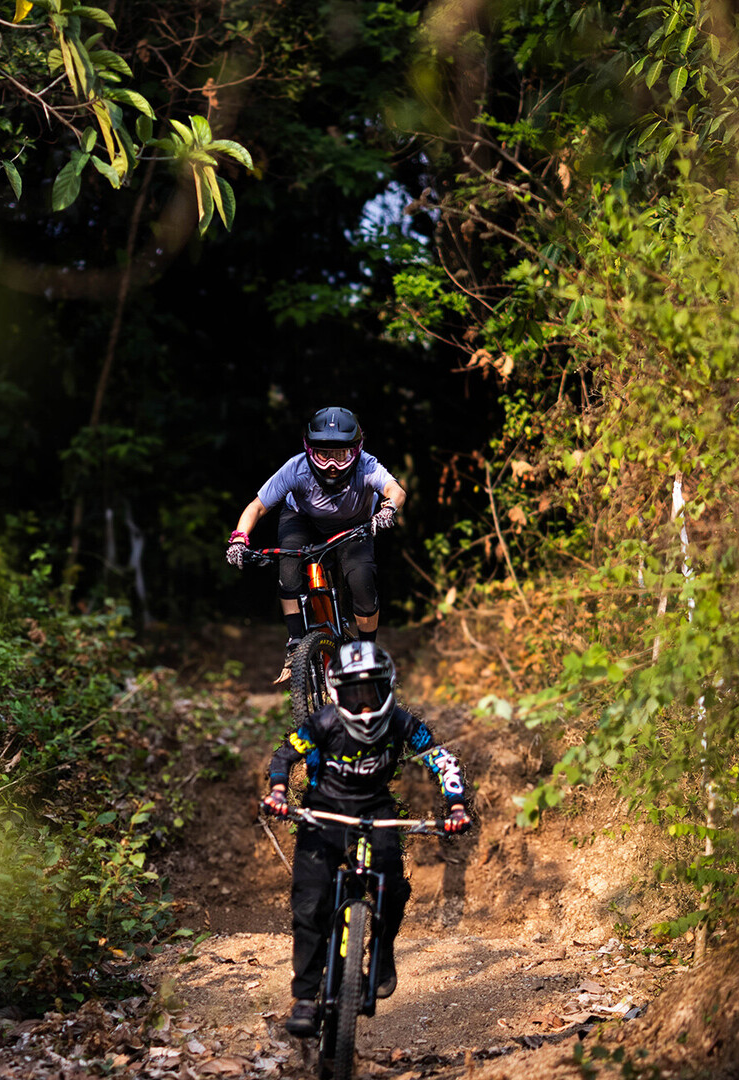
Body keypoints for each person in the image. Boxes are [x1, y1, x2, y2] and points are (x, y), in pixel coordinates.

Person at [258, 640, 471, 1038]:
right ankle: (305, 997)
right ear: (336, 694)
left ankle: (383, 949)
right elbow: (285, 754)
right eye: (354, 697)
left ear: (388, 688)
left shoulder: (403, 723)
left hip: (376, 814)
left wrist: (456, 806)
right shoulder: (323, 723)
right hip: (323, 813)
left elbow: (442, 758)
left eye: (371, 693)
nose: (365, 708)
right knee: (309, 903)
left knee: (391, 888)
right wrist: (278, 792)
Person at [224, 407, 405, 682]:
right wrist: (239, 538)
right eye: (323, 454)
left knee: (362, 583)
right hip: (302, 521)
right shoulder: (296, 468)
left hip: (353, 527)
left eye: (341, 454)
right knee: (288, 567)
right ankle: (296, 640)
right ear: (309, 450)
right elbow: (257, 507)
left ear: (356, 449)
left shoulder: (367, 465)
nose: (332, 464)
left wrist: (388, 508)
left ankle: (367, 652)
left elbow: (396, 490)